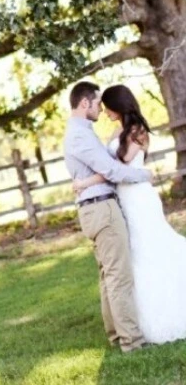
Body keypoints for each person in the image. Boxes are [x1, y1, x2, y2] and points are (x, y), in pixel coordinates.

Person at [73, 84, 186, 345]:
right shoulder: (117, 130)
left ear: (118, 105)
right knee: (132, 255)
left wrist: (86, 182)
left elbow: (117, 165)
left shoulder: (137, 131)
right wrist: (87, 182)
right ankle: (134, 318)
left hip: (139, 198)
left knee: (149, 249)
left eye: (108, 106)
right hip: (122, 199)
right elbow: (108, 168)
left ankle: (164, 311)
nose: (104, 111)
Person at [63, 81, 151, 353]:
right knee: (118, 277)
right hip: (101, 208)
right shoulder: (80, 136)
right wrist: (143, 175)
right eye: (98, 103)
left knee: (107, 276)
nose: (101, 108)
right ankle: (131, 342)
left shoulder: (83, 133)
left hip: (95, 207)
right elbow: (111, 170)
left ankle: (116, 335)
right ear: (84, 103)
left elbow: (106, 169)